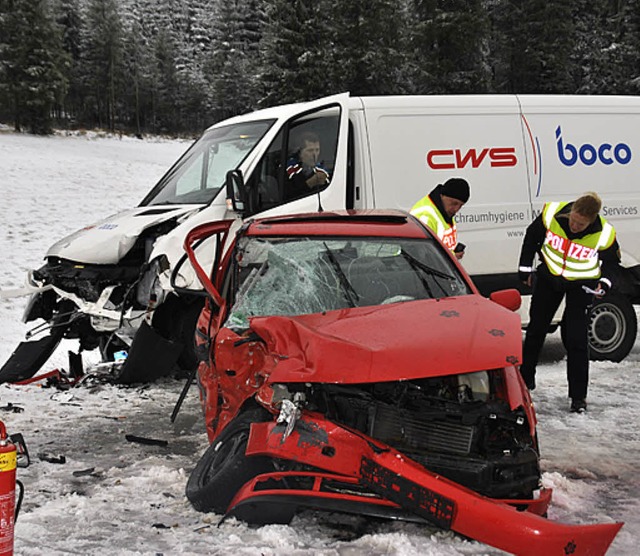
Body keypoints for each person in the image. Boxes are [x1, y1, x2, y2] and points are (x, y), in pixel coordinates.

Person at [518, 192, 621, 413]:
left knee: (576, 340)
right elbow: (532, 236)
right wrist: (525, 267)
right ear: (571, 211)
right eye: (573, 220)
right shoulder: (553, 213)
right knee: (536, 330)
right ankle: (526, 381)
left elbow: (612, 263)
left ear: (591, 220)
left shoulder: (604, 233)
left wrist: (604, 283)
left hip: (581, 285)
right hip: (549, 278)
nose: (574, 226)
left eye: (581, 224)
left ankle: (578, 397)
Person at [410, 177, 470, 259]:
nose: (456, 209)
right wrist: (452, 256)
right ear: (442, 196)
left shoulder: (444, 211)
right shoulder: (425, 216)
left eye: (460, 206)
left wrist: (453, 254)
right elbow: (423, 255)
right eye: (454, 203)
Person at [285, 131, 330, 199]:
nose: (314, 155)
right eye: (310, 150)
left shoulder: (322, 170)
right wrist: (309, 184)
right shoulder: (289, 169)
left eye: (317, 150)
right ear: (299, 152)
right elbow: (288, 196)